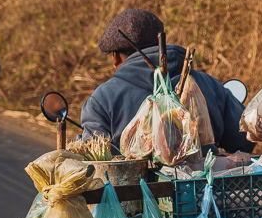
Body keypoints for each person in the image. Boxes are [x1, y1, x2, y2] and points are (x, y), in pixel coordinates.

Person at [80, 8, 252, 155]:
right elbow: (244, 139)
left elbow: (95, 160)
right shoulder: (207, 84)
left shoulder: (101, 100)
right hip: (206, 192)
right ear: (160, 42)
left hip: (137, 194)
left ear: (116, 57)